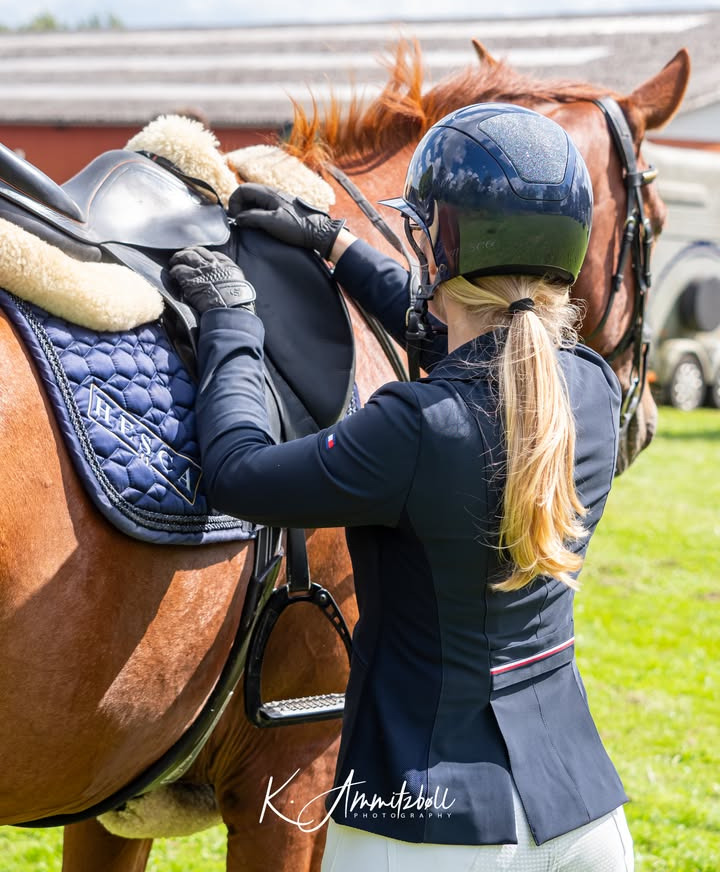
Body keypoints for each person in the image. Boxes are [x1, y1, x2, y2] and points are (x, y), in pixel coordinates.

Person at [169, 103, 634, 871]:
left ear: (438, 247)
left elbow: (237, 473)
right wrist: (335, 243)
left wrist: (231, 322)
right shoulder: (588, 389)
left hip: (422, 826)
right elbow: (475, 337)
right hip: (579, 813)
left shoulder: (413, 428)